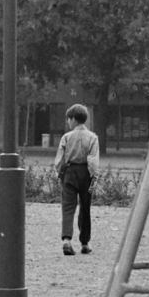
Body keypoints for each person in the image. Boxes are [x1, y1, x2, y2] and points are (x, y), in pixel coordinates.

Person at [54, 104, 101, 256]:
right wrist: (94, 176)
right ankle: (85, 243)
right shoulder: (93, 137)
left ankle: (67, 240)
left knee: (68, 206)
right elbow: (93, 160)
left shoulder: (66, 137)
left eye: (68, 119)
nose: (68, 122)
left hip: (69, 172)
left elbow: (60, 160)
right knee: (85, 207)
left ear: (73, 119)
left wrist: (60, 174)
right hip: (86, 172)